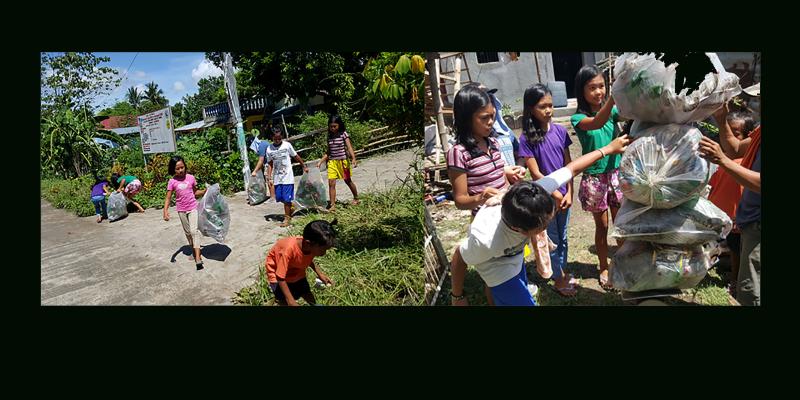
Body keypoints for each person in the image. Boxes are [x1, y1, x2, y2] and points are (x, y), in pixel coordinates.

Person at [450, 134, 631, 306]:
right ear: (519, 229)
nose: (546, 227)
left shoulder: (532, 194)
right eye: (541, 227)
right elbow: (459, 257)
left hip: (513, 252)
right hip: (497, 265)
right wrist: (457, 297)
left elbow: (572, 168)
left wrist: (607, 149)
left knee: (506, 290)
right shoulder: (486, 240)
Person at [446, 83, 527, 304]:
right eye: (484, 118)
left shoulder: (492, 142)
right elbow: (460, 201)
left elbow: (494, 171)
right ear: (466, 118)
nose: (491, 122)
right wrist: (481, 197)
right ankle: (458, 296)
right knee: (497, 272)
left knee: (502, 273)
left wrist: (509, 172)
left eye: (492, 116)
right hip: (487, 223)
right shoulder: (458, 153)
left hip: (507, 216)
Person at [698, 83, 761, 306]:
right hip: (751, 219)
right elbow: (734, 148)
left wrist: (722, 160)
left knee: (752, 290)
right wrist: (722, 116)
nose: (758, 103)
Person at [518, 83, 578, 296]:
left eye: (551, 105)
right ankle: (558, 280)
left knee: (563, 236)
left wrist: (569, 193)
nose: (548, 110)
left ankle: (562, 271)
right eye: (543, 106)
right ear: (531, 109)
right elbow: (535, 174)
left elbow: (569, 166)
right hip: (545, 199)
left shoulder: (561, 132)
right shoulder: (526, 138)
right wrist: (555, 193)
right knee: (551, 238)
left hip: (564, 197)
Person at [570, 65, 625, 289]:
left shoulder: (613, 112)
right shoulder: (578, 118)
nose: (598, 92)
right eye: (592, 88)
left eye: (601, 86)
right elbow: (596, 123)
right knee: (602, 227)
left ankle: (623, 264)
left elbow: (630, 114)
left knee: (622, 226)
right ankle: (603, 265)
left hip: (617, 175)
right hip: (595, 179)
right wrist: (613, 99)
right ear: (581, 91)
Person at [707, 110, 758, 295]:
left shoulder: (743, 161)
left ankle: (736, 283)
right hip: (739, 218)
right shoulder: (759, 133)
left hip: (749, 220)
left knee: (750, 284)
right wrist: (721, 120)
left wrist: (723, 160)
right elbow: (734, 148)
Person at [265, 220, 336, 306]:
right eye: (322, 249)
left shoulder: (310, 247)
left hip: (296, 270)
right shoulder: (288, 250)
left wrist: (320, 274)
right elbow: (280, 277)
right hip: (277, 274)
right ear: (308, 243)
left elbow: (309, 259)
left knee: (306, 292)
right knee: (284, 299)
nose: (324, 253)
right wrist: (291, 301)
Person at [163, 156, 207, 270]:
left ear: (185, 166)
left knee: (194, 231)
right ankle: (194, 250)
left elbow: (195, 192)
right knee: (188, 233)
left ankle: (198, 258)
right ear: (173, 170)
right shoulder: (172, 181)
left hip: (193, 208)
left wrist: (204, 191)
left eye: (182, 167)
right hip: (181, 210)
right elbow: (168, 198)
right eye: (177, 169)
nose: (181, 170)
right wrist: (165, 211)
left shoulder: (191, 178)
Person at [261, 126, 308, 227]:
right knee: (279, 197)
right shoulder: (269, 149)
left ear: (282, 136)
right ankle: (292, 206)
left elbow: (295, 156)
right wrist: (269, 177)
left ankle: (287, 218)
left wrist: (303, 165)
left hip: (287, 176)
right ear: (271, 138)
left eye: (279, 138)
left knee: (286, 199)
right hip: (277, 177)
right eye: (275, 139)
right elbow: (270, 163)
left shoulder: (287, 145)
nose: (277, 140)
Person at [317, 114, 359, 211]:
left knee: (347, 180)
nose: (333, 128)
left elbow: (349, 147)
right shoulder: (330, 137)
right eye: (331, 126)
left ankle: (356, 198)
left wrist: (353, 158)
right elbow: (328, 152)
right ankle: (332, 205)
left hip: (343, 162)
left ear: (339, 125)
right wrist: (321, 161)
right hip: (332, 163)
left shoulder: (344, 134)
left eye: (335, 126)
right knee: (331, 183)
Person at [252, 127, 276, 200]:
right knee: (270, 179)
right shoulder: (263, 143)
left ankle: (273, 198)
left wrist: (255, 171)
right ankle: (274, 196)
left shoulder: (261, 146)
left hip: (269, 164)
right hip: (271, 163)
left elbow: (261, 160)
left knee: (269, 179)